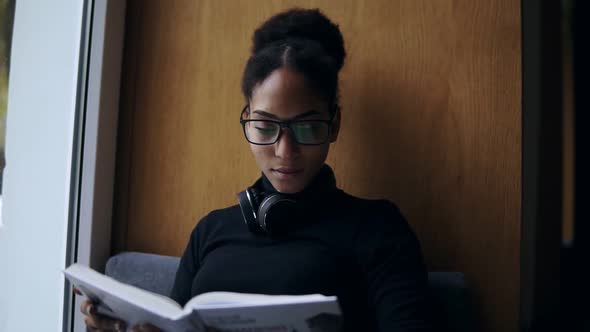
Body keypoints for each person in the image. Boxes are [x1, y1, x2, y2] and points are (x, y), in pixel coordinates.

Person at [79, 8, 433, 332]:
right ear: (247, 120)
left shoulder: (377, 228)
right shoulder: (211, 231)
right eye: (265, 127)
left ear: (334, 124)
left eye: (307, 128)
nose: (285, 151)